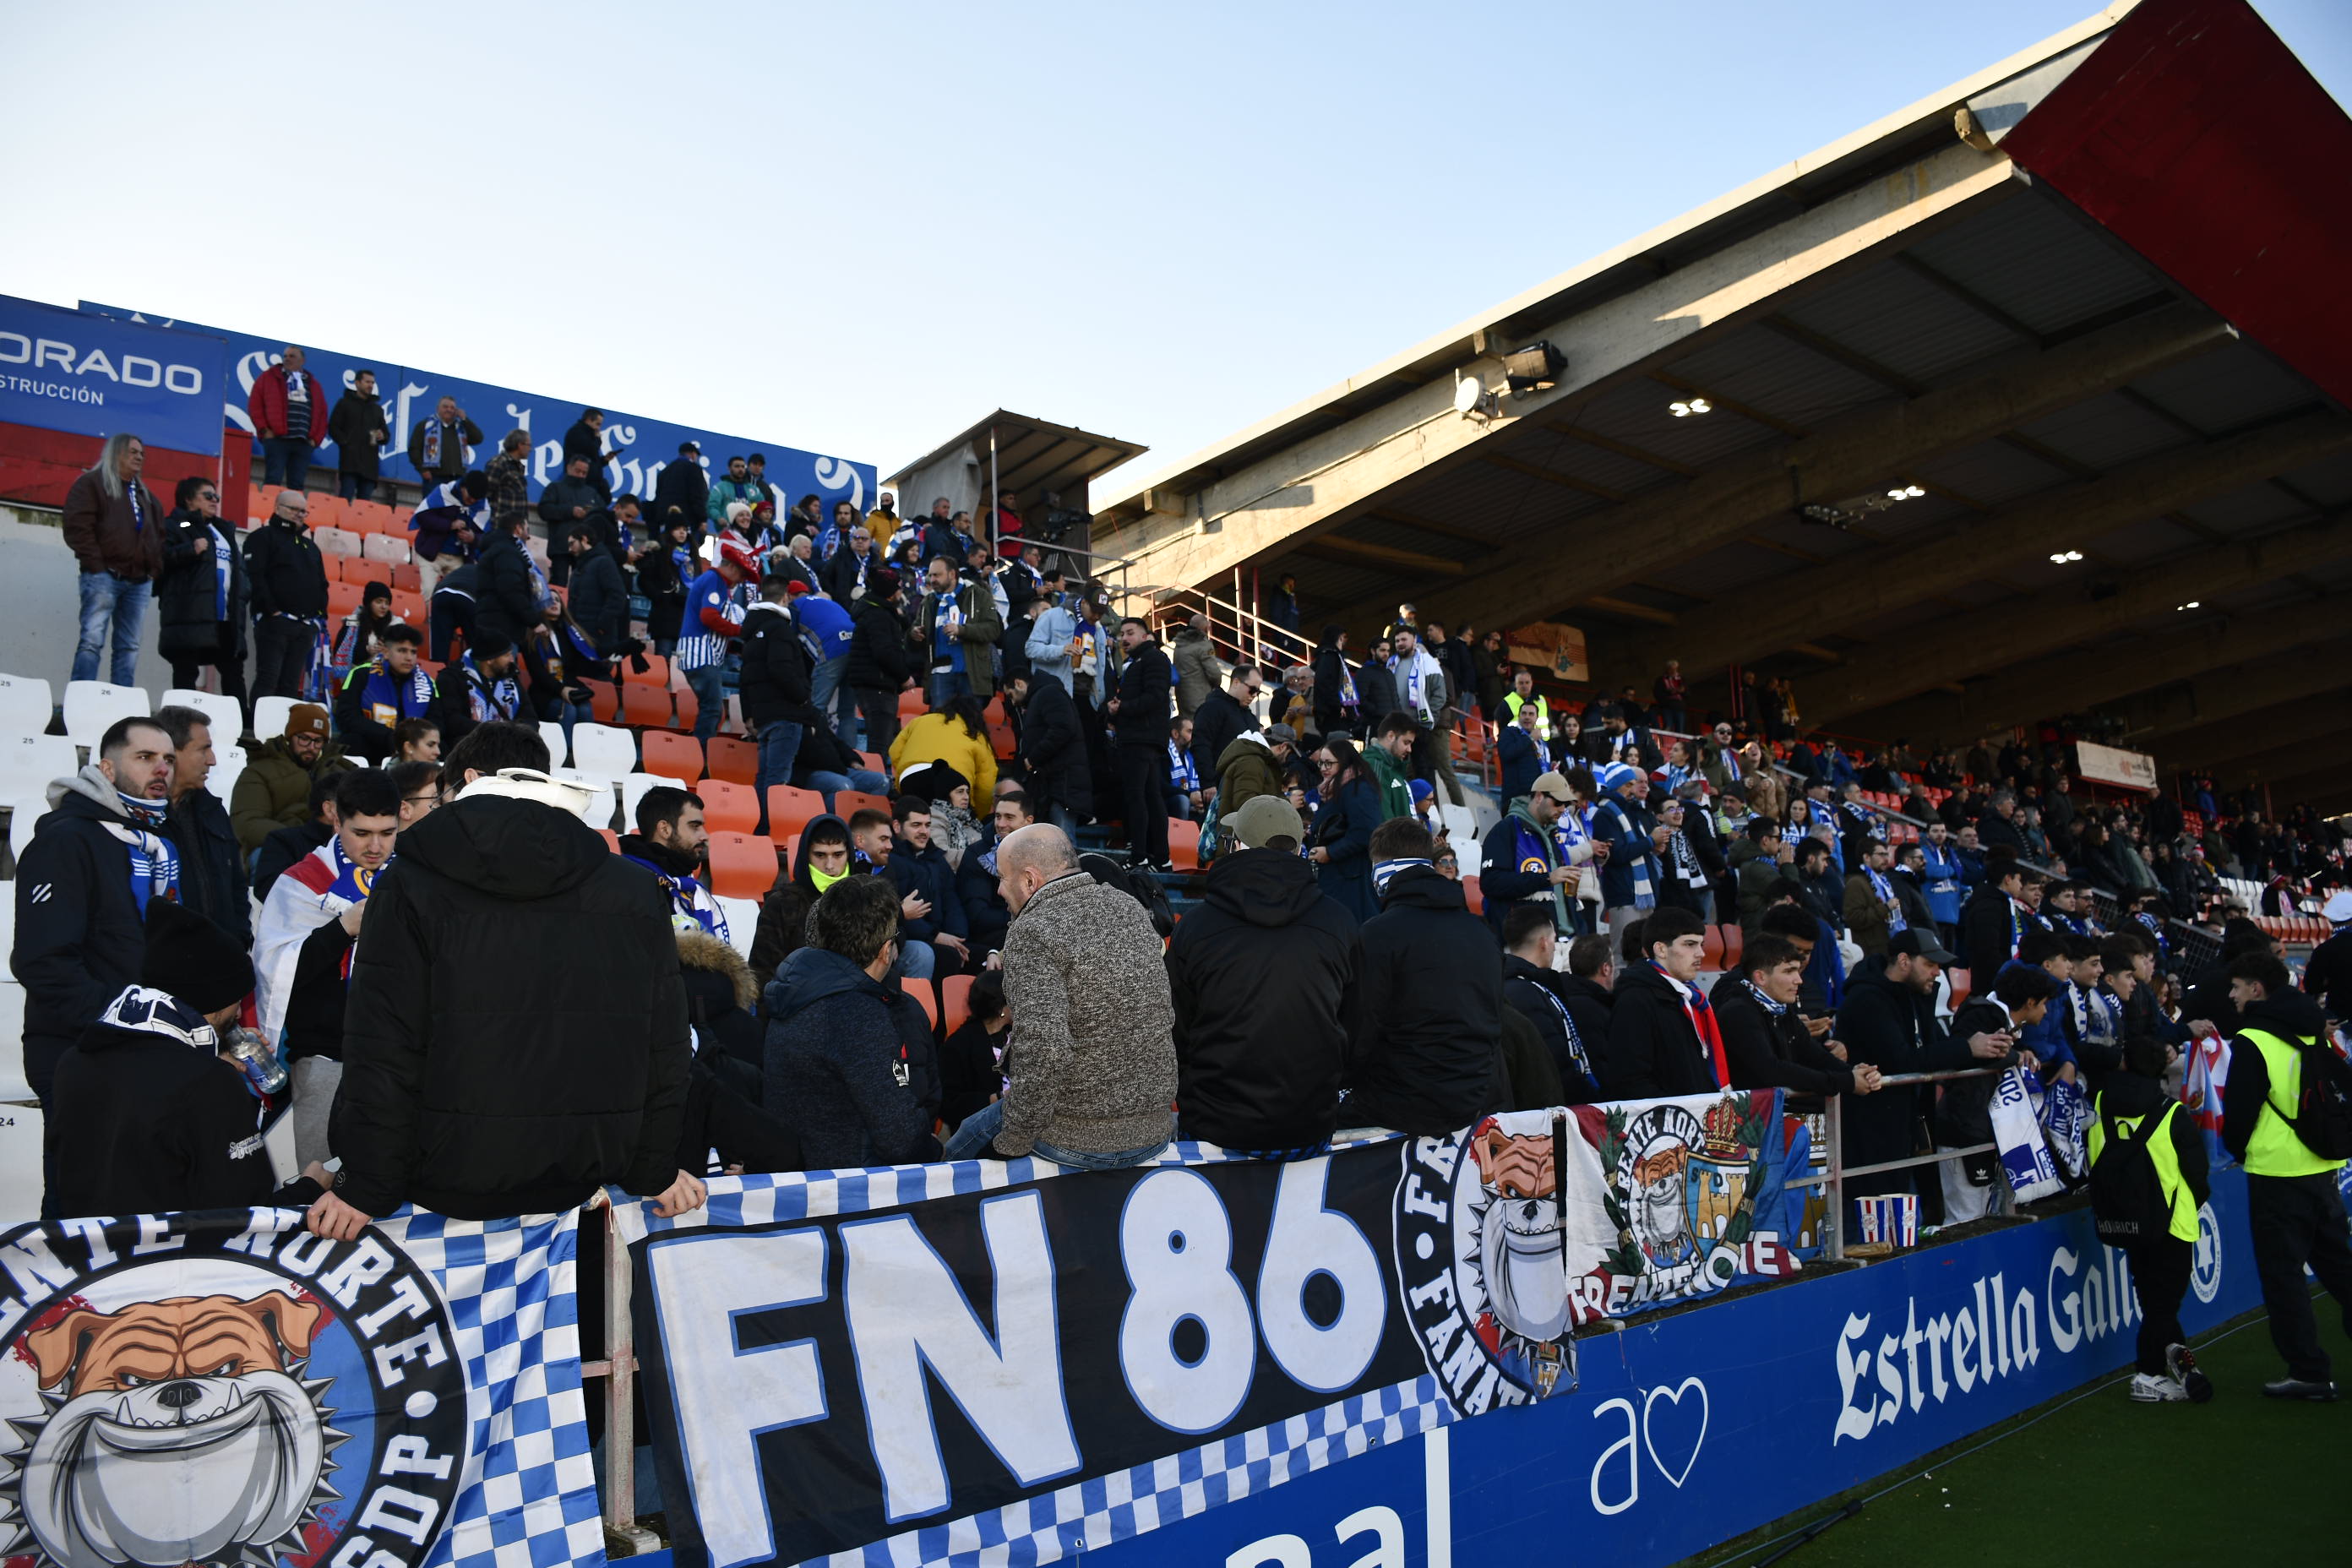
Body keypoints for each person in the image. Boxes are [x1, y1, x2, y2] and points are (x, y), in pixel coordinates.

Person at [306, 722, 703, 1236]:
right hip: (580, 1184)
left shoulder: (407, 884)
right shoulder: (634, 889)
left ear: (466, 781)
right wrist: (653, 1166)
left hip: (446, 1187)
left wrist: (365, 1185)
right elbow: (666, 1047)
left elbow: (383, 1046)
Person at [46, 899, 325, 1218]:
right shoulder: (209, 1083)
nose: (239, 1011)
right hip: (170, 1261)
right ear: (215, 1000)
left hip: (87, 1259)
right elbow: (246, 1216)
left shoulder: (74, 1062)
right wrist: (311, 1187)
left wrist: (212, 1067)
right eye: (238, 998)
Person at [943, 825, 1178, 1166]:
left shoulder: (1031, 932)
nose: (998, 890)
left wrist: (1015, 1140)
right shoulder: (1128, 907)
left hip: (1079, 1137)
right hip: (1156, 1130)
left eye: (1003, 878)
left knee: (954, 1156)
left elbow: (1046, 1049)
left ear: (1029, 880)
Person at [11, 716, 179, 1158]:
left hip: (144, 1048)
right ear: (105, 769)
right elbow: (42, 962)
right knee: (78, 1204)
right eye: (144, 758)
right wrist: (125, 1019)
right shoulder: (66, 840)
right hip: (78, 1049)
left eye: (168, 760)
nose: (161, 769)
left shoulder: (157, 843)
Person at [1166, 795, 1362, 1153]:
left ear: (1238, 845)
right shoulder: (1340, 921)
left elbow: (1175, 1028)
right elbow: (1353, 1023)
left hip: (1217, 1125)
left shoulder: (1197, 926)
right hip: (1306, 1124)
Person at [253, 767, 401, 1169]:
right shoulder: (301, 883)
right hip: (324, 1061)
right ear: (336, 820)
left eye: (387, 833)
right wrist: (343, 928)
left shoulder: (411, 878)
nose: (376, 846)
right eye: (362, 833)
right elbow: (280, 975)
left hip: (398, 1059)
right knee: (317, 1186)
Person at [2220, 950, 2352, 1400]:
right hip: (2323, 1167)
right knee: (2339, 1267)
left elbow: (2238, 1113)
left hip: (2277, 1171)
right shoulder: (2313, 1027)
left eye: (2237, 986)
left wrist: (2241, 1149)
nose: (2232, 995)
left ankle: (2309, 1371)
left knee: (2284, 1277)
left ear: (2257, 989)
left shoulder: (2254, 1038)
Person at [763, 875, 942, 1167]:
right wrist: (936, 1152)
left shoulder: (797, 990)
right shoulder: (856, 1012)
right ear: (887, 951)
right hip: (850, 1190)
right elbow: (899, 1138)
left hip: (804, 1177)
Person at [1836, 929, 2011, 1222]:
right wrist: (1968, 1048)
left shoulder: (1914, 995)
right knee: (1874, 1224)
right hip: (1869, 1133)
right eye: (1930, 965)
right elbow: (1903, 1060)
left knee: (1903, 1224)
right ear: (1904, 961)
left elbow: (1929, 1048)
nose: (1937, 973)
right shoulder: (1868, 999)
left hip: (1902, 1130)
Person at [1340, 818, 1500, 1133]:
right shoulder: (1481, 932)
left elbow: (1360, 1031)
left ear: (1382, 866)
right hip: (1474, 1097)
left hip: (1402, 1102)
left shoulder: (1378, 934)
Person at [2088, 1033, 2215, 1403]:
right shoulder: (2173, 1113)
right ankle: (2147, 1374)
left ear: (2125, 1063)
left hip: (2126, 1220)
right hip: (2173, 1223)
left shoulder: (2100, 1102)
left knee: (2154, 1299)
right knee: (2164, 1303)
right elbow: (2198, 1175)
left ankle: (2177, 1362)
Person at [1937, 966, 2055, 1224]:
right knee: (1965, 1219)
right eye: (2043, 1004)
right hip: (1964, 1132)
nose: (2046, 1012)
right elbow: (1970, 1055)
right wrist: (2012, 1055)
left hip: (1983, 1131)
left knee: (1985, 1216)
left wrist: (2016, 1052)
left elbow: (2004, 1053)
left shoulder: (2003, 1024)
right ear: (2030, 1002)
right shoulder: (1980, 1015)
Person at [1711, 934, 1881, 1102]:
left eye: (1798, 971)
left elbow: (1811, 1052)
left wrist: (1852, 1072)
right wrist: (1846, 1081)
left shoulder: (1781, 1008)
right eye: (1789, 971)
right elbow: (1772, 1070)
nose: (1799, 980)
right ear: (1760, 977)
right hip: (1749, 1121)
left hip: (1775, 1113)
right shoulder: (1738, 1012)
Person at [63, 433, 166, 687]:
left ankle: (121, 706)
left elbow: (160, 535)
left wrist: (153, 569)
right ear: (115, 452)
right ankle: (82, 698)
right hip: (103, 576)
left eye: (142, 453)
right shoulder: (91, 484)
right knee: (92, 640)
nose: (139, 457)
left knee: (129, 646)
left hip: (138, 582)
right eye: (133, 452)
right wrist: (97, 567)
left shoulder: (146, 496)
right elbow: (77, 527)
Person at [155, 474, 252, 725]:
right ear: (189, 499)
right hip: (189, 614)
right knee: (186, 670)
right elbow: (160, 557)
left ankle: (241, 726)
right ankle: (180, 724)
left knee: (233, 671)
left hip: (224, 616)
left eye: (216, 496)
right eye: (207, 496)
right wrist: (191, 549)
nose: (214, 501)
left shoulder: (221, 529)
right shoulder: (182, 524)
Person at [1603, 907, 1724, 1097]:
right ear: (1660, 949)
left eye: (1701, 945)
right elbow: (1630, 1079)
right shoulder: (1635, 1001)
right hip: (1670, 1122)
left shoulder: (1689, 997)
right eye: (1690, 944)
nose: (1701, 953)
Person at [152, 705, 248, 945]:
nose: (212, 760)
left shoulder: (213, 811)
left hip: (220, 959)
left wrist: (241, 939)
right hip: (164, 965)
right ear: (171, 753)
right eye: (204, 750)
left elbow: (237, 886)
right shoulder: (140, 818)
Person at [736, 575, 819, 820]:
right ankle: (769, 828)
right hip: (785, 715)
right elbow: (782, 670)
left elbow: (745, 678)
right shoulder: (780, 630)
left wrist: (748, 713)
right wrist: (803, 699)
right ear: (785, 598)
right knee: (777, 779)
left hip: (763, 715)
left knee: (764, 777)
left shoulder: (752, 633)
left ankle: (759, 825)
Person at [1500, 904, 1603, 1102]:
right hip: (1553, 1114)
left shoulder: (1516, 985)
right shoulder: (1526, 992)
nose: (1555, 947)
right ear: (1544, 943)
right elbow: (1556, 1063)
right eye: (1554, 939)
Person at [243, 487, 330, 700]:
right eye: (294, 509)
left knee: (291, 684)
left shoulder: (310, 546)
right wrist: (271, 610)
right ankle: (258, 730)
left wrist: (319, 615)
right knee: (268, 678)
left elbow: (322, 583)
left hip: (305, 626)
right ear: (277, 508)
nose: (299, 515)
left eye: (303, 511)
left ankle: (284, 730)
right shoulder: (262, 537)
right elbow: (256, 576)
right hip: (275, 623)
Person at [231, 702, 352, 854]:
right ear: (290, 737)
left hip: (332, 851)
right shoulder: (259, 770)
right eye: (304, 738)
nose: (311, 747)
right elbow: (247, 825)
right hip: (280, 848)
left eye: (318, 741)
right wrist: (300, 840)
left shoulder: (339, 770)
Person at [1478, 769, 1585, 942]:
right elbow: (1491, 883)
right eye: (1558, 802)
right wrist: (1546, 878)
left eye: (1566, 804)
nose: (1562, 809)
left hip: (1563, 938)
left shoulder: (1553, 833)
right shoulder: (1506, 830)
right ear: (1539, 796)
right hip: (1525, 942)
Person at [619, 786, 729, 939]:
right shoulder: (627, 881)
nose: (705, 836)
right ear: (664, 829)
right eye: (695, 826)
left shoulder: (692, 888)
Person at [1108, 616, 1173, 869]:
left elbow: (1155, 698)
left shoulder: (1153, 659)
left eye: (1131, 633)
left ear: (1145, 636)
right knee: (1150, 795)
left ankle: (1139, 855)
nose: (1125, 638)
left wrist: (1122, 708)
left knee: (1138, 796)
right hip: (1143, 737)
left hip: (1141, 738)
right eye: (1122, 633)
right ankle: (1161, 857)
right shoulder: (1135, 662)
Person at [677, 542, 756, 742]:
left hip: (702, 653)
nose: (742, 580)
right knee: (712, 709)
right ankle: (700, 755)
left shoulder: (716, 582)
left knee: (711, 709)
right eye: (742, 574)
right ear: (731, 567)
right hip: (700, 655)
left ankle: (700, 752)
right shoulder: (715, 580)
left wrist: (733, 645)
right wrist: (740, 631)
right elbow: (709, 617)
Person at [885, 794, 970, 975]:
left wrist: (958, 937)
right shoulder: (889, 861)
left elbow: (951, 900)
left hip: (940, 936)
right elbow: (896, 913)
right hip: (911, 939)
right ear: (897, 827)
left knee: (980, 956)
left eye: (927, 825)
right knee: (948, 957)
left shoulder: (936, 859)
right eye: (916, 825)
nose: (924, 831)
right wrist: (936, 936)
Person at [334, 623, 438, 763]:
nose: (409, 657)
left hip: (414, 746)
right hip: (373, 741)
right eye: (402, 651)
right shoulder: (361, 674)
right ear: (386, 652)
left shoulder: (426, 683)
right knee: (352, 740)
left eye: (413, 652)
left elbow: (437, 722)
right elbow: (346, 716)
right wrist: (389, 736)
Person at [1308, 737, 1382, 923]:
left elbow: (1366, 832)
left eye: (1329, 763)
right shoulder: (1338, 788)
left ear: (1344, 762)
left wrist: (1330, 852)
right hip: (1339, 876)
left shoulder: (1358, 790)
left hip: (1350, 880)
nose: (1323, 768)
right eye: (1321, 763)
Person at [1007, 667, 1090, 834]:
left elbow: (1063, 728)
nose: (1013, 702)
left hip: (1063, 785)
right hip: (1054, 784)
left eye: (1011, 695)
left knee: (1062, 846)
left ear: (1019, 684)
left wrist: (1033, 759)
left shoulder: (1048, 693)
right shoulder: (1043, 696)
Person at [1591, 761, 1663, 946]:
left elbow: (1639, 847)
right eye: (1628, 785)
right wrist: (1650, 841)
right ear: (1616, 786)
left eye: (1634, 784)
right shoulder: (1605, 815)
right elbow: (1618, 855)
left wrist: (1653, 846)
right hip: (1624, 895)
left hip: (1643, 895)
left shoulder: (1631, 811)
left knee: (1644, 953)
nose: (1633, 790)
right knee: (1623, 954)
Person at [957, 788, 1033, 960]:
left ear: (1028, 821)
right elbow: (978, 916)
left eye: (1009, 817)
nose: (1001, 824)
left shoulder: (1043, 853)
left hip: (1026, 929)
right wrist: (1029, 916)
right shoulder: (977, 854)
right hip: (989, 936)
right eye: (998, 816)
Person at [918, 553, 1002, 706]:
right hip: (939, 675)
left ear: (952, 574)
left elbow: (993, 629)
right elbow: (916, 629)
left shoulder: (978, 594)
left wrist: (962, 630)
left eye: (937, 575)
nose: (932, 580)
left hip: (970, 674)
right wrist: (914, 633)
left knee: (970, 726)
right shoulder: (928, 601)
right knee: (941, 726)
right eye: (930, 575)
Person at [890, 694, 998, 806]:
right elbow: (986, 781)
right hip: (951, 781)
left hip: (909, 777)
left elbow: (894, 751)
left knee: (919, 820)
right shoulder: (976, 733)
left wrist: (906, 772)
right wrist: (980, 815)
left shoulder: (920, 720)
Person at [247, 345, 329, 489]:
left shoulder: (314, 384)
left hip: (303, 442)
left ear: (302, 360)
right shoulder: (268, 377)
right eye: (285, 356)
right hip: (277, 439)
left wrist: (315, 440)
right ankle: (269, 511)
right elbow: (255, 405)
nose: (287, 359)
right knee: (273, 479)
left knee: (297, 484)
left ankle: (293, 511)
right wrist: (265, 430)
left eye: (292, 356)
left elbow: (322, 414)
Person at [436, 632, 524, 751]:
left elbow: (529, 716)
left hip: (508, 743)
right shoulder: (451, 678)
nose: (512, 660)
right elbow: (453, 720)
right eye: (507, 655)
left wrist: (519, 734)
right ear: (490, 660)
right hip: (470, 745)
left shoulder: (511, 676)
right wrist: (493, 732)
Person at [1190, 665, 1261, 800]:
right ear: (1236, 682)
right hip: (1221, 787)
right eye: (1252, 690)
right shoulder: (1212, 707)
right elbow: (1201, 745)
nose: (1254, 696)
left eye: (1258, 692)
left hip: (1248, 787)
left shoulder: (1249, 716)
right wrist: (1208, 783)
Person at [565, 519, 629, 656]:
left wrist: (601, 625)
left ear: (584, 539)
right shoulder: (580, 567)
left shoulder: (603, 563)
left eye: (572, 543)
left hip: (599, 639)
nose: (570, 549)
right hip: (579, 636)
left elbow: (617, 596)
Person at [326, 366, 391, 501]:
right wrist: (346, 443)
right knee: (345, 499)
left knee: (364, 505)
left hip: (369, 465)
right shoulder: (344, 403)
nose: (371, 385)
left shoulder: (377, 409)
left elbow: (386, 435)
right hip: (349, 462)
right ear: (357, 383)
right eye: (367, 382)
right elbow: (333, 427)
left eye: (373, 382)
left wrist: (382, 435)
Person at [1213, 721, 1291, 819]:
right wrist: (1285, 806)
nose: (1286, 760)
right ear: (1283, 747)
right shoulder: (1252, 761)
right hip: (1241, 833)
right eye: (1289, 754)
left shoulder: (1257, 759)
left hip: (1244, 832)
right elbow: (1246, 805)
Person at [406, 395, 482, 489]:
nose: (449, 410)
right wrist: (422, 470)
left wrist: (465, 419)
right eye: (445, 407)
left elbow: (478, 438)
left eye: (452, 408)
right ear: (438, 408)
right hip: (434, 478)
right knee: (434, 504)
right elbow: (414, 449)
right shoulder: (425, 425)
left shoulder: (461, 427)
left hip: (457, 478)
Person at [651, 440, 710, 537]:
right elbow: (697, 496)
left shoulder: (664, 472)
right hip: (687, 521)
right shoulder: (694, 468)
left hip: (665, 522)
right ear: (693, 454)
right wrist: (702, 519)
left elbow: (658, 497)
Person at [1171, 612, 1222, 717]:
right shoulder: (1203, 645)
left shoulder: (1179, 644)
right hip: (1200, 696)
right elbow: (1214, 673)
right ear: (1205, 626)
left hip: (1182, 696)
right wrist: (1217, 684)